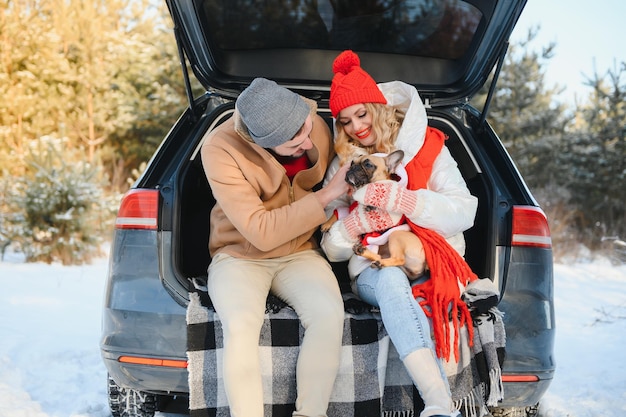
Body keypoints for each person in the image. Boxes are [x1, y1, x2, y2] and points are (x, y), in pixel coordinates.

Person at [321, 50, 479, 417]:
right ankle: (439, 402)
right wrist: (354, 226)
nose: (356, 127)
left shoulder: (429, 148)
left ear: (379, 107)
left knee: (400, 277)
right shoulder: (344, 165)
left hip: (433, 262)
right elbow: (331, 249)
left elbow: (465, 210)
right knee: (391, 279)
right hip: (372, 269)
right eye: (344, 121)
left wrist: (404, 199)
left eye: (361, 113)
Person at [199, 77, 367, 417]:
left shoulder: (313, 121)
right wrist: (327, 194)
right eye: (294, 141)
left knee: (328, 315)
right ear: (262, 143)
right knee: (241, 324)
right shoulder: (220, 148)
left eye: (307, 129)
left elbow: (374, 121)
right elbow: (260, 232)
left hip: (300, 252)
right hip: (239, 255)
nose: (308, 143)